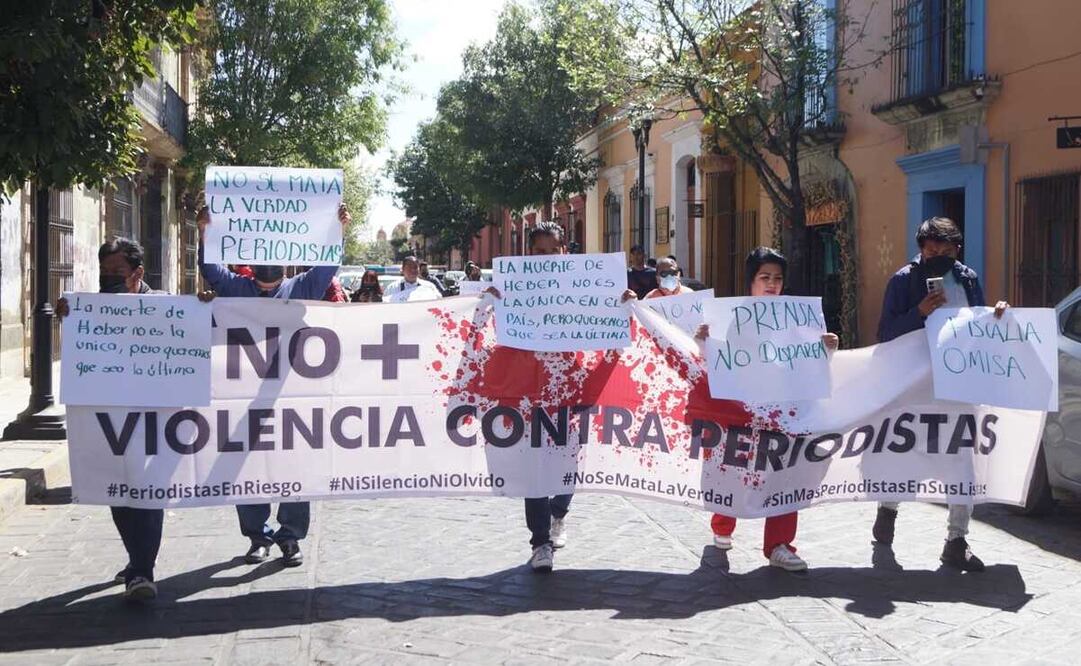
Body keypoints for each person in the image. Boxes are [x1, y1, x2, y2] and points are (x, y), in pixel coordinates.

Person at [56, 237, 213, 602]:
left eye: (118, 272)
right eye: (105, 272)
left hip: (153, 420)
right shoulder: (90, 309)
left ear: (137, 273)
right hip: (109, 420)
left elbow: (197, 338)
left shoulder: (163, 307)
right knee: (118, 491)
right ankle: (136, 558)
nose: (109, 278)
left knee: (148, 489)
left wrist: (203, 308)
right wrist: (67, 316)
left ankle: (142, 570)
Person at [198, 203, 352, 568]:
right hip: (244, 397)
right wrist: (204, 230)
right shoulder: (237, 287)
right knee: (247, 467)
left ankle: (289, 537)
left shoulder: (302, 286)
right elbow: (210, 270)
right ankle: (257, 536)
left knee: (294, 466)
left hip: (292, 397)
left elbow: (329, 264)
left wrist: (337, 229)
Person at [874, 216, 1008, 572]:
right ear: (920, 250)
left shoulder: (967, 278)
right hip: (913, 385)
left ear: (956, 250)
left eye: (946, 252)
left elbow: (978, 325)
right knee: (903, 455)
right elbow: (886, 334)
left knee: (961, 460)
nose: (939, 257)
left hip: (957, 384)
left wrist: (996, 318)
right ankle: (888, 509)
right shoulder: (903, 281)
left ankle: (957, 540)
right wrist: (919, 313)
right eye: (932, 251)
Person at [693, 247, 838, 572]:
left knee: (785, 474)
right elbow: (718, 364)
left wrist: (825, 350)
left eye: (777, 278)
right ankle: (722, 526)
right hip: (740, 413)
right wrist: (704, 343)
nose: (772, 284)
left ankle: (779, 545)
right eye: (764, 277)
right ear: (751, 282)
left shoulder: (798, 320)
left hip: (783, 412)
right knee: (732, 469)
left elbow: (809, 368)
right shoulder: (732, 317)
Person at [481, 221, 573, 572]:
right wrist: (491, 303)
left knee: (568, 467)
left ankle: (559, 514)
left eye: (553, 251)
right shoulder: (513, 287)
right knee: (535, 467)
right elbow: (489, 330)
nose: (547, 258)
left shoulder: (586, 286)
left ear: (564, 252)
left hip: (570, 387)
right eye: (539, 252)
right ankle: (540, 542)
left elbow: (607, 329)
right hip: (529, 391)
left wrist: (622, 306)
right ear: (528, 254)